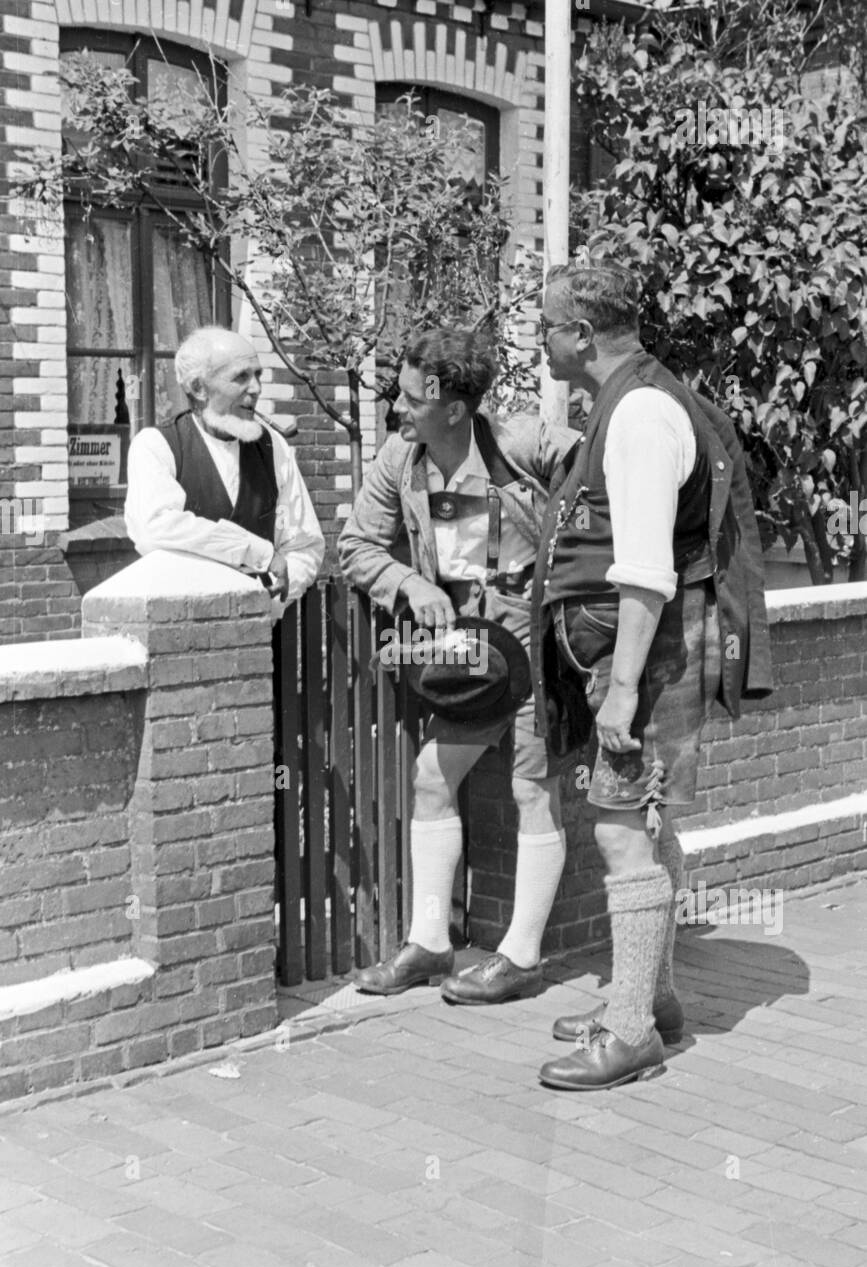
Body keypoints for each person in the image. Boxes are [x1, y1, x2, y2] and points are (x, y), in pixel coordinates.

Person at [531, 260, 773, 1091]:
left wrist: (624, 686)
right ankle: (652, 999)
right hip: (643, 649)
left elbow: (642, 572)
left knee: (620, 825)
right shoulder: (641, 395)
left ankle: (630, 1030)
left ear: (581, 335)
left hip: (648, 651)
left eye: (547, 325)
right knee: (645, 819)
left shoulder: (636, 412)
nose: (541, 339)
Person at [338, 327, 581, 1004]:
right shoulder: (399, 459)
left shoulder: (525, 445)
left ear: (452, 406)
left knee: (534, 790)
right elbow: (356, 544)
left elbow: (605, 488)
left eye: (413, 397)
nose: (398, 407)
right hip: (469, 657)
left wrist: (561, 574)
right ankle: (429, 945)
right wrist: (409, 585)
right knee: (430, 778)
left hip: (534, 651)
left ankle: (521, 958)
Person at [125, 326, 324, 606]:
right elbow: (154, 529)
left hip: (262, 630)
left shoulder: (273, 446)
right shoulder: (156, 446)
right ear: (198, 388)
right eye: (241, 377)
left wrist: (270, 603)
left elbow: (306, 544)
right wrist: (255, 552)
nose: (255, 388)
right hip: (180, 630)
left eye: (258, 375)